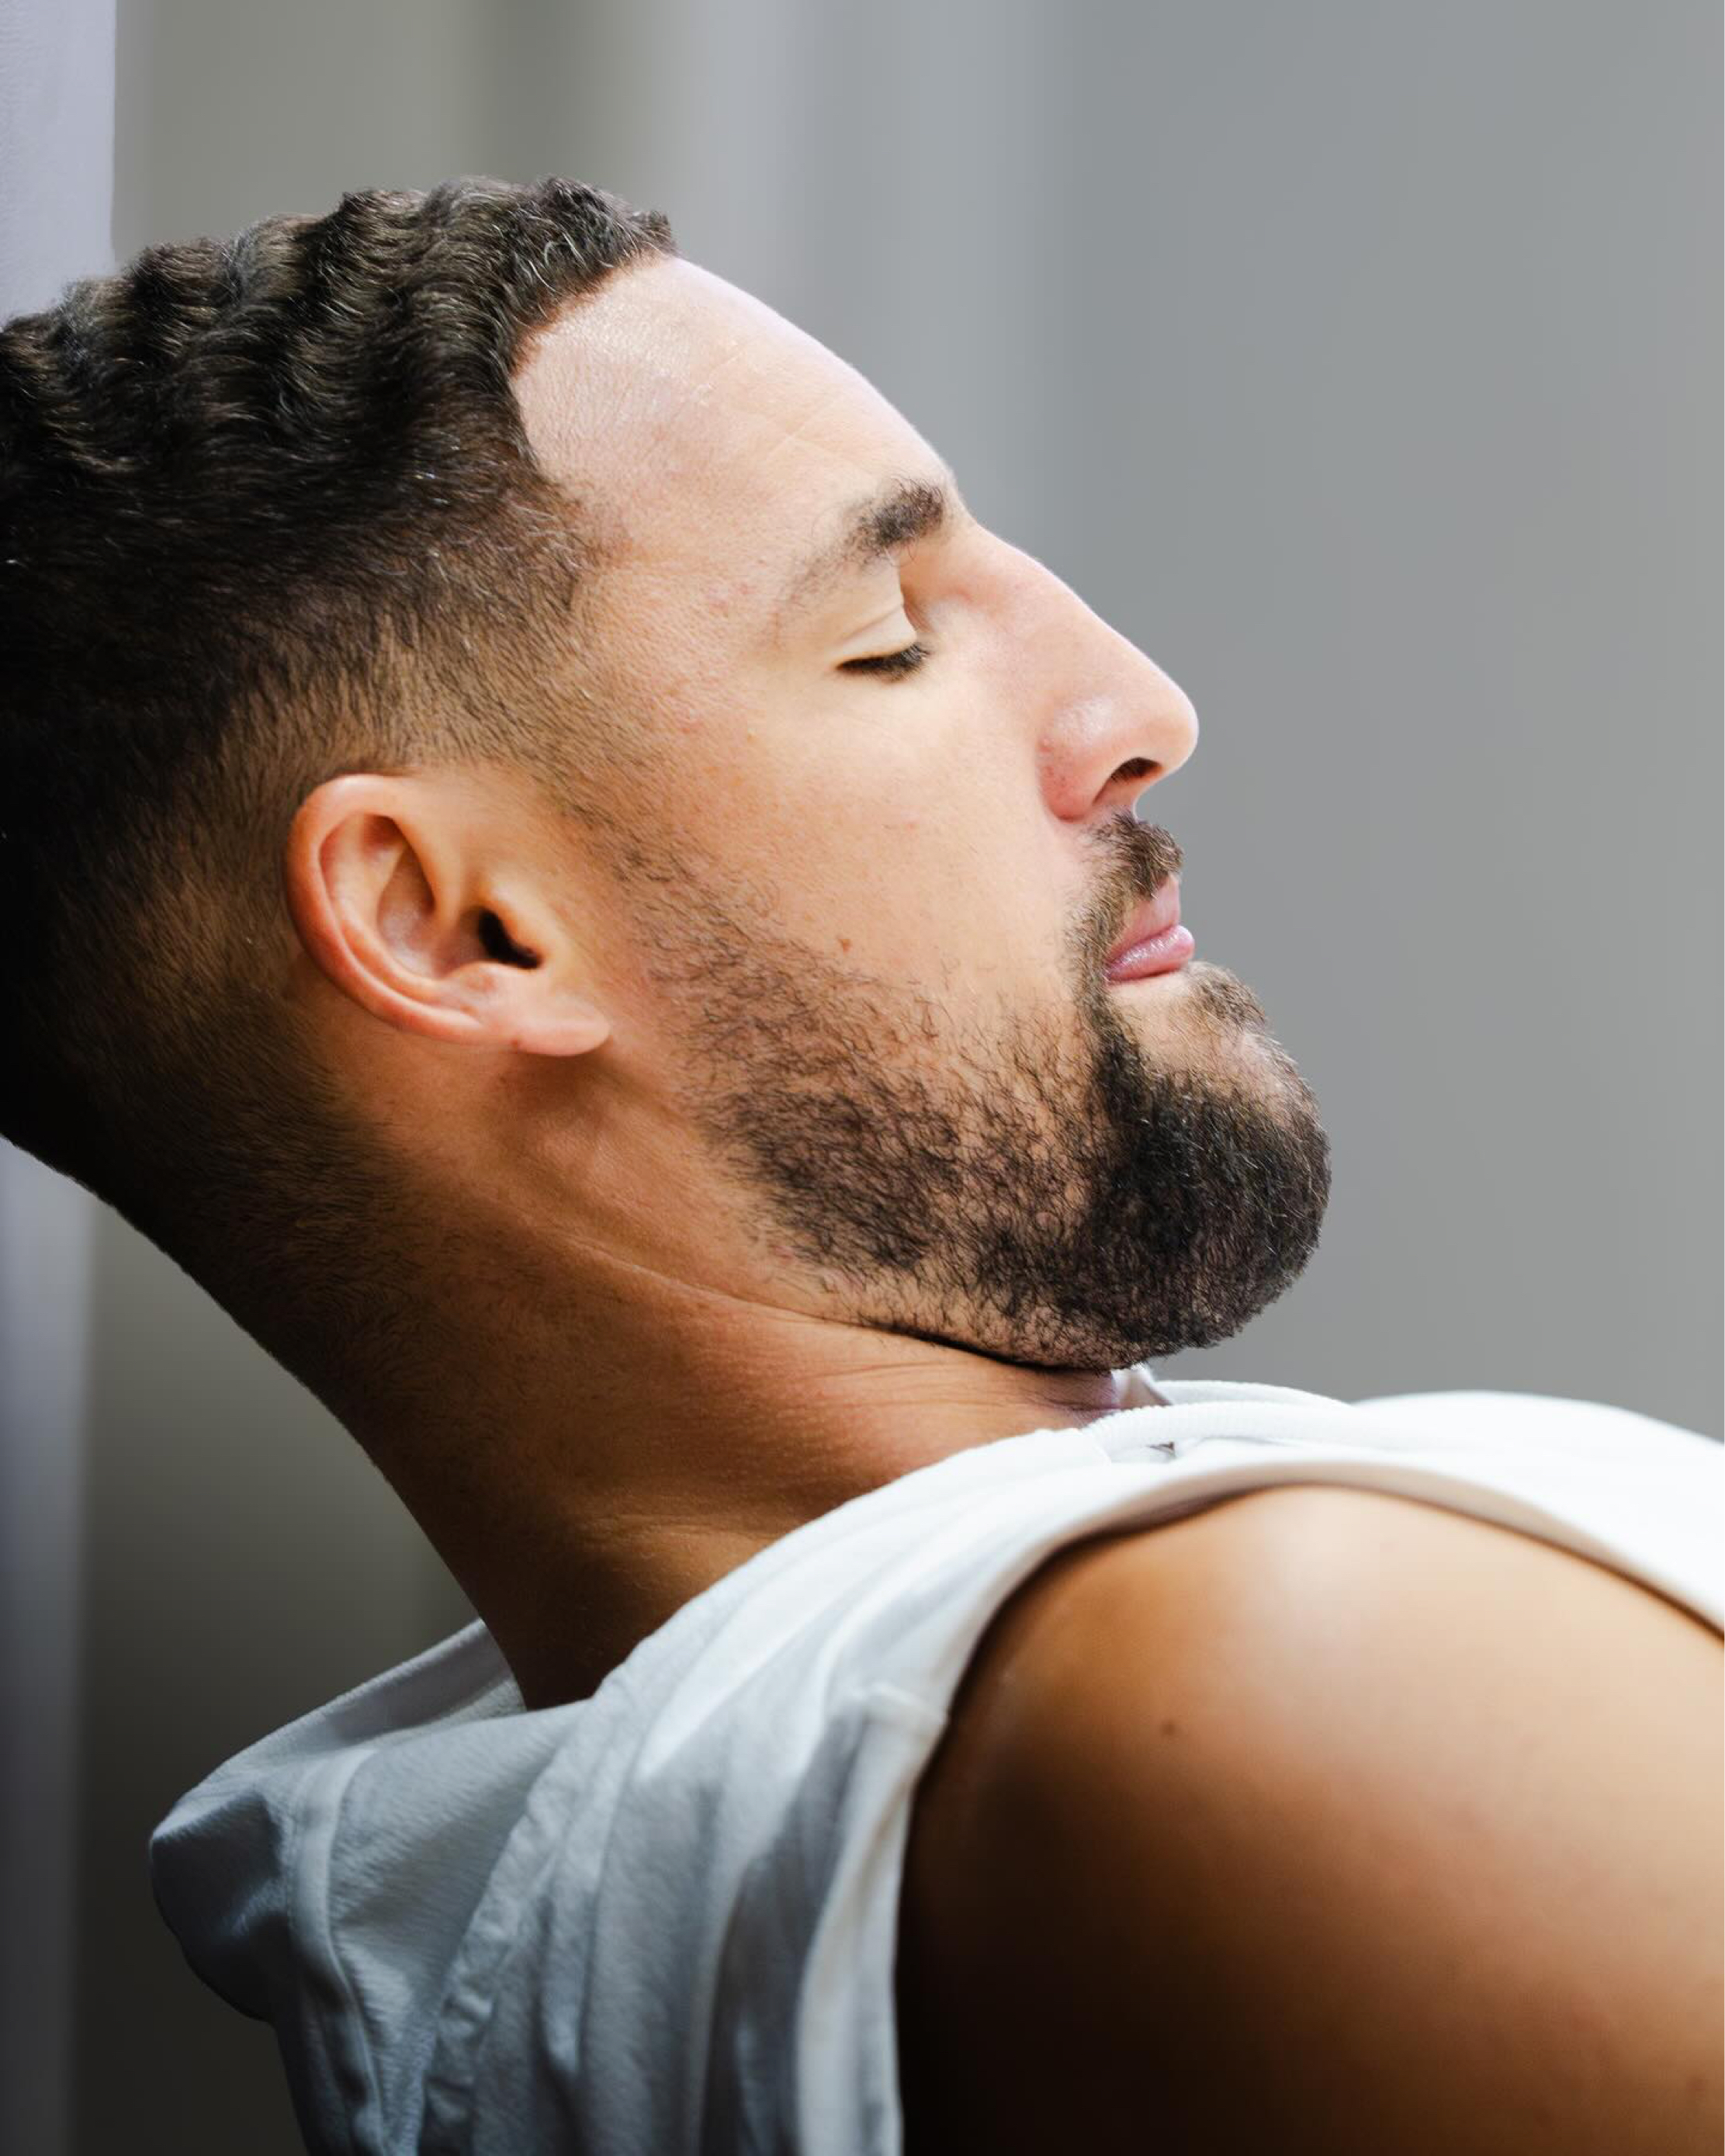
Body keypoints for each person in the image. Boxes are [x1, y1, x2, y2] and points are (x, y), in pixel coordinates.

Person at [2, 179, 1718, 2154]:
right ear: (463, 925)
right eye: (889, 638)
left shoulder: (548, 1919)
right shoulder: (1267, 1700)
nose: (1138, 713)